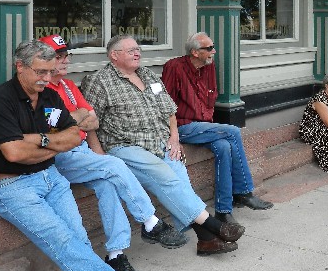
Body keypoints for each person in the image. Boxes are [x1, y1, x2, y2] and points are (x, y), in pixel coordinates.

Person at [0, 40, 143, 271]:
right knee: (62, 239)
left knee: (77, 237)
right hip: (12, 187)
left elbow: (74, 137)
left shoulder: (49, 98)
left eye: (50, 71)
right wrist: (51, 143)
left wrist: (39, 141)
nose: (46, 78)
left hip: (51, 178)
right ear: (20, 67)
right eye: (40, 71)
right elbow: (14, 154)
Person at [38, 34, 186, 271]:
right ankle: (150, 221)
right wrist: (77, 119)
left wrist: (73, 118)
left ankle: (116, 254)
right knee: (115, 165)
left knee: (108, 184)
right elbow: (54, 131)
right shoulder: (42, 89)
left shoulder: (68, 86)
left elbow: (92, 120)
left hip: (82, 149)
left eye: (66, 56)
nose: (64, 61)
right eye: (58, 57)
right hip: (60, 155)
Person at [81, 35, 245, 256]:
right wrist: (99, 153)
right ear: (114, 55)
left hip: (160, 140)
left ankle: (205, 240)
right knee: (165, 176)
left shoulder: (147, 74)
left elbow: (169, 110)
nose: (137, 53)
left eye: (138, 49)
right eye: (131, 51)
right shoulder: (100, 81)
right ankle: (214, 227)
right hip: (124, 144)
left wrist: (174, 138)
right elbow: (90, 122)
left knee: (179, 176)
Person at [161, 32, 273, 223]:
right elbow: (165, 104)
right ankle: (244, 191)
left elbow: (211, 98)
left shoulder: (208, 66)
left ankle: (223, 210)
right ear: (195, 52)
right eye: (209, 48)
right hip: (183, 126)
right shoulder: (174, 67)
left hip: (205, 126)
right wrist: (172, 136)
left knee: (224, 146)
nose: (214, 51)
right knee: (233, 131)